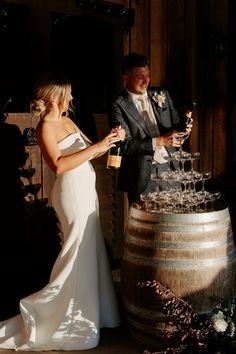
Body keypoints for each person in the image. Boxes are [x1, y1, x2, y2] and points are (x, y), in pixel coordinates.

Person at [0, 72, 124, 350]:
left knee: (89, 248)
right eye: (67, 94)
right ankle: (53, 317)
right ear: (55, 98)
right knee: (75, 250)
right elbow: (58, 164)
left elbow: (93, 151)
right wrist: (97, 146)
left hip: (86, 190)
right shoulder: (46, 126)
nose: (71, 98)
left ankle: (97, 313)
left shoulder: (68, 120)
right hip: (70, 193)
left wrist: (110, 140)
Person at [108, 52, 193, 205]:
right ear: (126, 78)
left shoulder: (161, 94)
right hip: (142, 176)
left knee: (174, 220)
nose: (146, 81)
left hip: (172, 169)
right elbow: (125, 145)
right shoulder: (118, 105)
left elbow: (175, 126)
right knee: (147, 226)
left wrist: (184, 129)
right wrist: (160, 141)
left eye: (148, 75)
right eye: (140, 77)